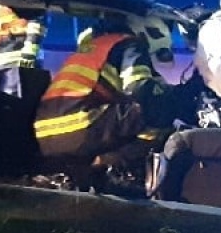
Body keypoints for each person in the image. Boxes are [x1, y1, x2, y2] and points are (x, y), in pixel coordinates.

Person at [33, 16, 182, 169]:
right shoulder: (130, 45)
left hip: (46, 136)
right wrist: (174, 97)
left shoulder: (95, 46)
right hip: (82, 126)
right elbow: (140, 90)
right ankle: (120, 162)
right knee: (159, 106)